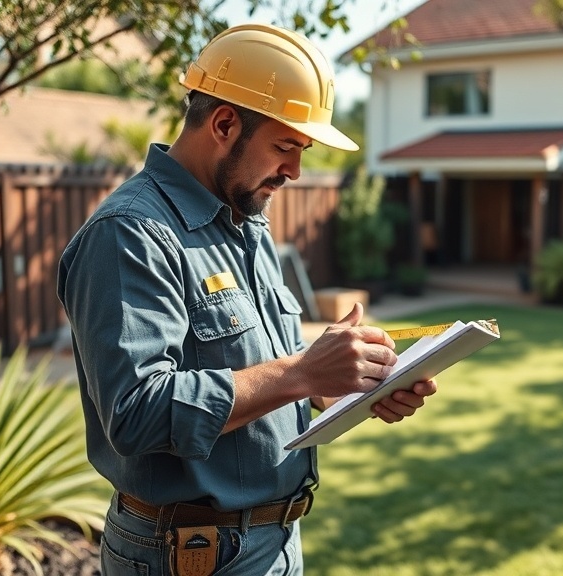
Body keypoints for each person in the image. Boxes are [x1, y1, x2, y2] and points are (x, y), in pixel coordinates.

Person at [57, 23, 437, 576]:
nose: (296, 171)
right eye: (285, 146)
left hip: (275, 540)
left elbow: (267, 380)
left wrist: (346, 385)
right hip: (187, 555)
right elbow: (136, 413)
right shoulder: (130, 233)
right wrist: (302, 372)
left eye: (302, 150)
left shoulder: (245, 223)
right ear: (225, 123)